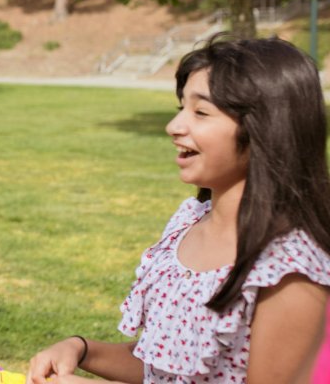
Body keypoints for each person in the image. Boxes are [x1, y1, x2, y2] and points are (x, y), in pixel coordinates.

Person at [27, 35, 330, 384]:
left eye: (201, 112)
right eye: (180, 109)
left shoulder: (288, 270)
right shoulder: (188, 223)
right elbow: (166, 370)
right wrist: (80, 350)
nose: (174, 127)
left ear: (265, 127)